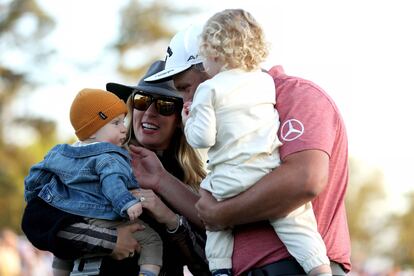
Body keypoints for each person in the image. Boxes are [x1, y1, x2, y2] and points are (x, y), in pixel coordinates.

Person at [144, 18, 351, 276]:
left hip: (297, 265)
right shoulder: (226, 123)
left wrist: (221, 213)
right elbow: (213, 215)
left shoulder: (296, 94)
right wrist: (160, 179)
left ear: (214, 65)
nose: (186, 100)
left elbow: (305, 179)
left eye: (187, 88)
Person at [21, 60, 210, 276]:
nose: (149, 112)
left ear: (180, 117)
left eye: (165, 105)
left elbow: (207, 265)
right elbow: (36, 222)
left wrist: (170, 219)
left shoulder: (195, 185)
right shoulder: (89, 157)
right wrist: (111, 240)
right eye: (142, 100)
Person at [24, 88, 163, 276]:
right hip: (102, 216)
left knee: (63, 249)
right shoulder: (109, 156)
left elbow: (37, 174)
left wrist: (35, 196)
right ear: (91, 132)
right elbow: (112, 182)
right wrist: (127, 203)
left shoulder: (61, 153)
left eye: (123, 121)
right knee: (152, 240)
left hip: (70, 216)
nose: (124, 128)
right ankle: (148, 273)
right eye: (116, 123)